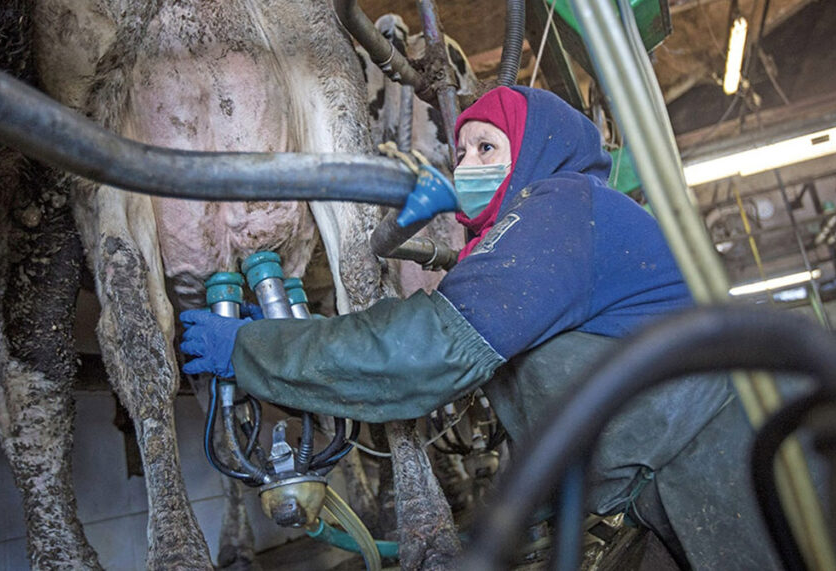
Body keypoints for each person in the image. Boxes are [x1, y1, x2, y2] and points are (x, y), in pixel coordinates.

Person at [180, 86, 781, 569]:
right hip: (673, 479)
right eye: (460, 154)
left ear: (536, 149)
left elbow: (422, 353)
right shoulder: (553, 220)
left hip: (724, 467)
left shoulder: (561, 209)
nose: (467, 167)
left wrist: (253, 349)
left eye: (488, 150)